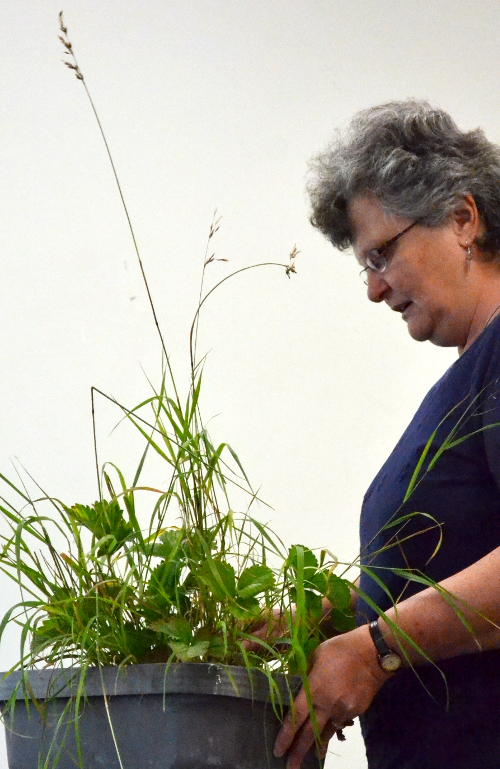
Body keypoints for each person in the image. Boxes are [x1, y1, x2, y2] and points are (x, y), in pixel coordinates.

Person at [271, 101, 500, 769]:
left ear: (463, 218)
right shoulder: (462, 384)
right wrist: (322, 624)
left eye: (382, 254)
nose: (374, 288)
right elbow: (444, 566)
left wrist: (378, 646)